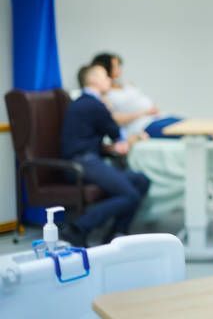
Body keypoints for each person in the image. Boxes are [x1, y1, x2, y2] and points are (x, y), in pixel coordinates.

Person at [60, 64, 151, 246]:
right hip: (82, 163)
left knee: (141, 180)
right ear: (92, 79)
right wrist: (134, 138)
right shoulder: (94, 104)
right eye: (105, 76)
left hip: (87, 159)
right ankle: (78, 227)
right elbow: (119, 138)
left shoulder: (83, 102)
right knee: (130, 195)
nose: (110, 79)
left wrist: (108, 148)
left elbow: (88, 137)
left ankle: (116, 232)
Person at [91, 53, 182, 138]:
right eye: (116, 66)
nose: (119, 69)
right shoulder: (104, 95)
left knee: (185, 123)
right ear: (105, 69)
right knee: (182, 129)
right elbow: (114, 119)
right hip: (142, 126)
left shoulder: (127, 85)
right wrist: (144, 112)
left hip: (158, 117)